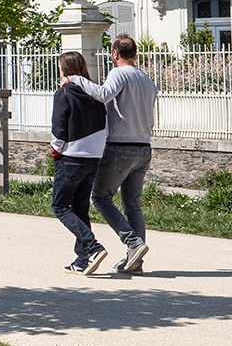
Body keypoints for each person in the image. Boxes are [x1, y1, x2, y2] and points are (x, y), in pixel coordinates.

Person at [65, 34, 158, 274]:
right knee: (133, 205)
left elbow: (104, 94)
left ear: (115, 54)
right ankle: (135, 261)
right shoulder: (146, 79)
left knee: (100, 198)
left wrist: (76, 79)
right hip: (143, 147)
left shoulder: (119, 73)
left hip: (119, 147)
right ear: (134, 53)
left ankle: (133, 242)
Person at [50, 52, 110, 275]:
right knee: (80, 208)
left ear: (64, 70)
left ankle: (93, 247)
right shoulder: (95, 94)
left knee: (60, 206)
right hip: (93, 158)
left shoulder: (64, 93)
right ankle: (83, 259)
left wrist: (56, 150)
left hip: (70, 158)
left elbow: (59, 127)